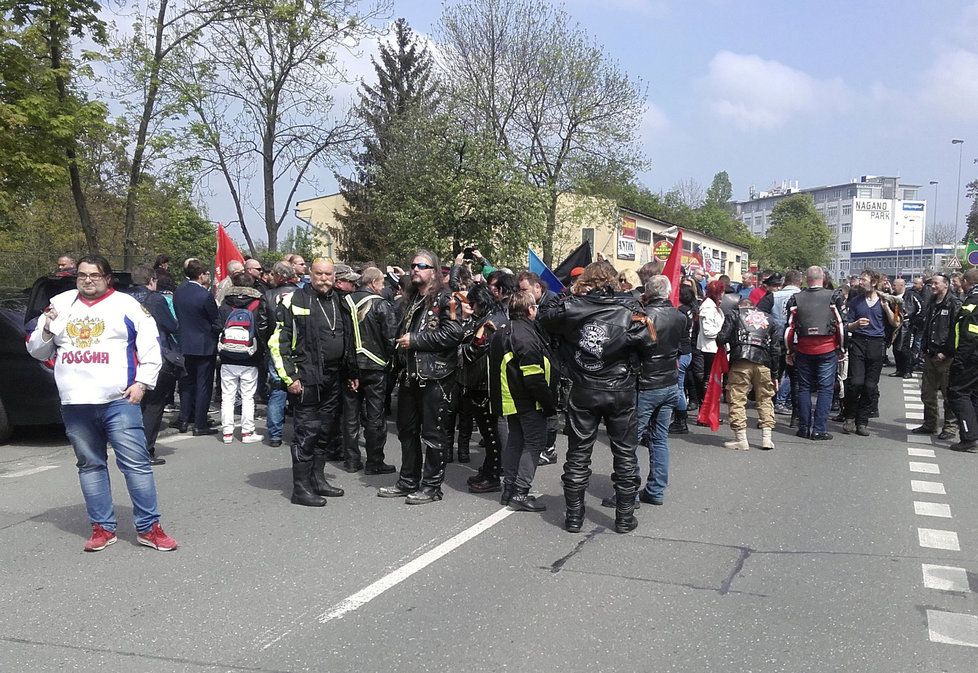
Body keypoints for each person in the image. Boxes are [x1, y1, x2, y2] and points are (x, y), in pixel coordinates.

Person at [26, 255, 177, 552]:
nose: (88, 280)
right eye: (82, 275)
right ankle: (102, 528)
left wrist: (142, 384)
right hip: (75, 404)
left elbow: (150, 345)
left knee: (135, 466)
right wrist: (46, 329)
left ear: (107, 278)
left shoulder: (127, 305)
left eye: (94, 275)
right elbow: (37, 351)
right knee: (90, 466)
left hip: (118, 401)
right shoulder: (60, 305)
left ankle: (149, 528)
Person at [538, 261, 656, 534]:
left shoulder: (575, 306)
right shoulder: (630, 308)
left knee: (579, 454)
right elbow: (649, 344)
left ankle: (574, 518)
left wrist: (572, 292)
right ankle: (624, 518)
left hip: (585, 387)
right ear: (614, 280)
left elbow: (545, 313)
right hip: (619, 388)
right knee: (624, 453)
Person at [378, 250, 464, 505]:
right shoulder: (412, 299)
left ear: (434, 271)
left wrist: (416, 340)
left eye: (422, 265)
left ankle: (431, 486)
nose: (415, 269)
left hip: (435, 376)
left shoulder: (446, 299)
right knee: (406, 430)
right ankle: (408, 480)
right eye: (413, 265)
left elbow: (454, 333)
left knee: (433, 434)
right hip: (409, 375)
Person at [271, 259, 356, 506]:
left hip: (333, 376)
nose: (324, 278)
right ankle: (301, 488)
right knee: (306, 432)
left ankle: (318, 479)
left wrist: (352, 373)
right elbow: (278, 342)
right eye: (318, 273)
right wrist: (290, 377)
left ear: (334, 276)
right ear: (310, 274)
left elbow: (349, 338)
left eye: (328, 274)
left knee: (326, 431)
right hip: (306, 376)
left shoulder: (341, 300)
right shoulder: (294, 300)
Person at [489, 290, 556, 511]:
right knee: (534, 442)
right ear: (530, 310)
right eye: (535, 307)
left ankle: (509, 489)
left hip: (509, 399)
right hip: (527, 400)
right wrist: (548, 404)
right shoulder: (525, 335)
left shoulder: (502, 332)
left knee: (516, 441)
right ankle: (520, 492)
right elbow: (534, 376)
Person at [629, 275, 684, 503]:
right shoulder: (680, 317)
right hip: (669, 381)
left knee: (630, 440)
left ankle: (627, 493)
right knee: (659, 438)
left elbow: (635, 343)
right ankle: (655, 490)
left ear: (648, 293)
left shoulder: (643, 317)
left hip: (648, 383)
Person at [341, 266, 397, 474]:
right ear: (373, 283)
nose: (383, 287)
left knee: (351, 415)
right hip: (375, 366)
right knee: (375, 416)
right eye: (382, 283)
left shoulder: (343, 302)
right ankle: (374, 462)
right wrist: (393, 361)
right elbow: (391, 337)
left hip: (348, 366)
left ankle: (352, 460)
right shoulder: (381, 305)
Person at [458, 283, 508, 492]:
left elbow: (471, 353)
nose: (471, 307)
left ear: (481, 302)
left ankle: (494, 474)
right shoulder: (493, 316)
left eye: (473, 303)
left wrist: (463, 345)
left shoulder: (489, 322)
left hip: (485, 383)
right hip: (484, 382)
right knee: (490, 433)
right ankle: (489, 469)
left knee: (490, 432)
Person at [784, 267, 844, 441]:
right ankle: (819, 429)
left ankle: (803, 428)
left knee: (804, 388)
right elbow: (840, 325)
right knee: (825, 389)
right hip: (827, 348)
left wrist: (789, 350)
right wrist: (841, 348)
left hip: (803, 348)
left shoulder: (796, 298)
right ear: (823, 277)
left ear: (806, 279)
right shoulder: (833, 296)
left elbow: (789, 328)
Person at [131, 264, 180, 466]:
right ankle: (146, 450)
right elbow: (171, 325)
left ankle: (131, 447)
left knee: (134, 405)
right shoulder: (155, 299)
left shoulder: (123, 298)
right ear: (152, 281)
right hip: (154, 355)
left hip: (130, 357)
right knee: (153, 405)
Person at [841, 269, 899, 436]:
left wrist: (886, 308)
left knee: (870, 386)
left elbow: (895, 323)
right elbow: (846, 325)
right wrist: (856, 324)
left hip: (876, 344)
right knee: (856, 383)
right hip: (858, 342)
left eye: (864, 279)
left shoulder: (884, 300)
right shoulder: (856, 301)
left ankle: (862, 421)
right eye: (860, 279)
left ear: (873, 282)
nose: (861, 282)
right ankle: (849, 417)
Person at [719, 297, 780, 450]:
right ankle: (767, 438)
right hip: (764, 362)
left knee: (737, 398)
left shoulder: (734, 314)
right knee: (765, 398)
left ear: (740, 307)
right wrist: (775, 374)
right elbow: (775, 348)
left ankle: (741, 439)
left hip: (741, 361)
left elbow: (722, 337)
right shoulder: (769, 319)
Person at [911, 273, 961, 441]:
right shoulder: (932, 302)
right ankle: (930, 424)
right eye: (931, 283)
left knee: (948, 394)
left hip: (946, 357)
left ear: (945, 285)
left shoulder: (953, 303)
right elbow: (927, 326)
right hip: (930, 354)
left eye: (936, 283)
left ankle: (950, 427)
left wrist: (946, 352)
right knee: (927, 392)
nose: (932, 286)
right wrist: (924, 348)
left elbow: (956, 331)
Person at [174, 259, 221, 435]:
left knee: (186, 383)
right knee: (203, 385)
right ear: (201, 275)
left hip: (185, 343)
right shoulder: (204, 295)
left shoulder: (179, 291)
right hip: (204, 345)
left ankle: (184, 419)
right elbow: (215, 320)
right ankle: (200, 424)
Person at [218, 271, 265, 444]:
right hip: (250, 356)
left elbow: (217, 326)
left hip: (227, 356)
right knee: (247, 396)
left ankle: (227, 433)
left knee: (227, 396)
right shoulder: (257, 304)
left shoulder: (225, 304)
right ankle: (247, 432)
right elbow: (262, 329)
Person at [262, 262, 299, 447]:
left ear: (277, 275)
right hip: (297, 347)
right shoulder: (302, 293)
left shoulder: (268, 295)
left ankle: (275, 435)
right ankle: (299, 433)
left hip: (275, 348)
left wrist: (267, 345)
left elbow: (262, 326)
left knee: (277, 390)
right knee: (298, 389)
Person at [949, 269, 978, 452]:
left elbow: (970, 334)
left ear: (966, 282)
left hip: (970, 357)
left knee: (958, 393)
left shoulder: (972, 303)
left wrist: (960, 359)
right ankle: (974, 432)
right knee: (974, 395)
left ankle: (969, 437)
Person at [694, 280, 726, 425]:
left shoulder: (712, 306)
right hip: (710, 348)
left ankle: (707, 412)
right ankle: (706, 413)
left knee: (711, 381)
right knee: (709, 381)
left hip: (714, 348)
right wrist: (723, 335)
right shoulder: (708, 307)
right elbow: (708, 331)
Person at [669, 284, 696, 435]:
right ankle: (679, 416)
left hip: (681, 352)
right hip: (686, 351)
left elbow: (677, 334)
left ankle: (681, 419)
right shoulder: (689, 310)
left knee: (679, 387)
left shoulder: (681, 312)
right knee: (679, 386)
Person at [890, 278, 920, 379]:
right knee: (895, 349)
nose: (893, 287)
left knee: (904, 349)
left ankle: (908, 370)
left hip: (907, 326)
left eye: (895, 285)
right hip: (895, 325)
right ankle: (899, 370)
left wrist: (913, 321)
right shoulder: (892, 297)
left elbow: (921, 309)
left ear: (901, 286)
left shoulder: (911, 295)